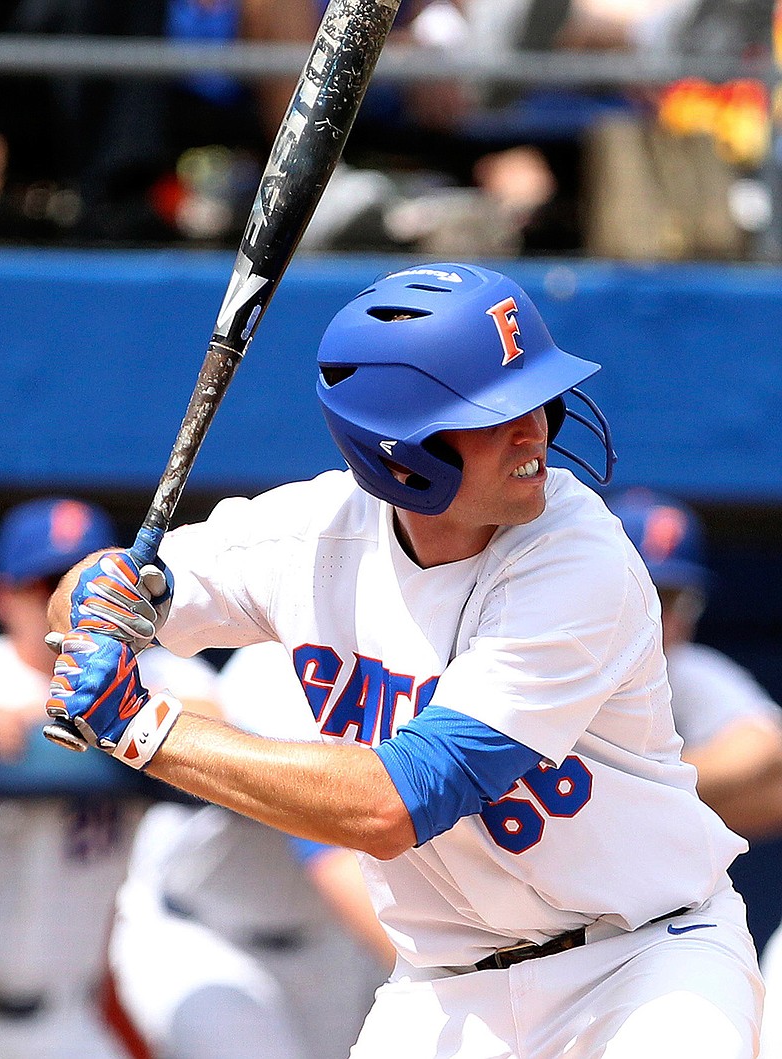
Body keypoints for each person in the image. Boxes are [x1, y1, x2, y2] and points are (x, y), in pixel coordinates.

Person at [44, 262, 763, 1059]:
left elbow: (391, 806)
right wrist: (95, 598)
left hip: (644, 965)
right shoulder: (310, 536)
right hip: (444, 987)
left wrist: (142, 727)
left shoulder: (579, 558)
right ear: (400, 448)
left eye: (537, 398)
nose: (535, 431)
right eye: (494, 413)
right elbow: (84, 597)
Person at [0, 496, 220, 1059]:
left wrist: (75, 716)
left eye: (89, 586)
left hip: (71, 1015)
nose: (71, 606)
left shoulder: (150, 673)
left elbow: (221, 723)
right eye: (46, 587)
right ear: (2, 596)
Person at [108, 641, 394, 1059]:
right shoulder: (274, 666)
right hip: (205, 938)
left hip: (326, 944)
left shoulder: (408, 656)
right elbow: (330, 855)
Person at [605, 487, 782, 841]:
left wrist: (636, 790)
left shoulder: (679, 667)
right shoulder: (538, 654)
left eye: (676, 600)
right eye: (648, 593)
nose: (663, 618)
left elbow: (763, 747)